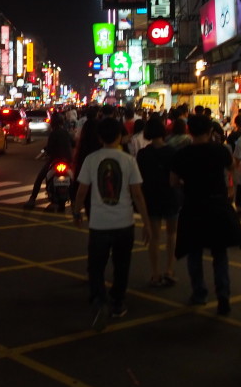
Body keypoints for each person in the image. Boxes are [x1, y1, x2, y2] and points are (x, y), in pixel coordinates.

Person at [74, 118, 150, 330]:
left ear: (99, 138)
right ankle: (117, 303)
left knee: (96, 266)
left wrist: (76, 212)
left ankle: (98, 300)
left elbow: (82, 191)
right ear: (119, 136)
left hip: (99, 224)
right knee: (122, 265)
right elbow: (138, 195)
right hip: (124, 223)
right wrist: (146, 223)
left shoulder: (91, 159)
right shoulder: (128, 161)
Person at [171, 114, 241, 314]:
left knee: (194, 252)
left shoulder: (182, 154)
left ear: (189, 131)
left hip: (193, 206)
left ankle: (199, 293)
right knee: (220, 253)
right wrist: (230, 189)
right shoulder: (220, 150)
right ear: (210, 131)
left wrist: (187, 182)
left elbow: (173, 182)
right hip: (217, 205)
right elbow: (232, 169)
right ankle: (223, 296)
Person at [137, 117, 179, 288]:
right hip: (170, 196)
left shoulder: (143, 154)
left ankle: (155, 273)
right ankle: (169, 270)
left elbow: (139, 179)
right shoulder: (172, 152)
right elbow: (175, 178)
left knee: (154, 237)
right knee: (172, 234)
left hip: (151, 197)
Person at [25, 114, 75, 209]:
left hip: (55, 160)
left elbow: (49, 148)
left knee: (40, 178)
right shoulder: (66, 132)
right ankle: (74, 200)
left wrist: (45, 152)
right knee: (74, 179)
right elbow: (73, 143)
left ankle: (32, 199)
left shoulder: (54, 133)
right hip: (67, 160)